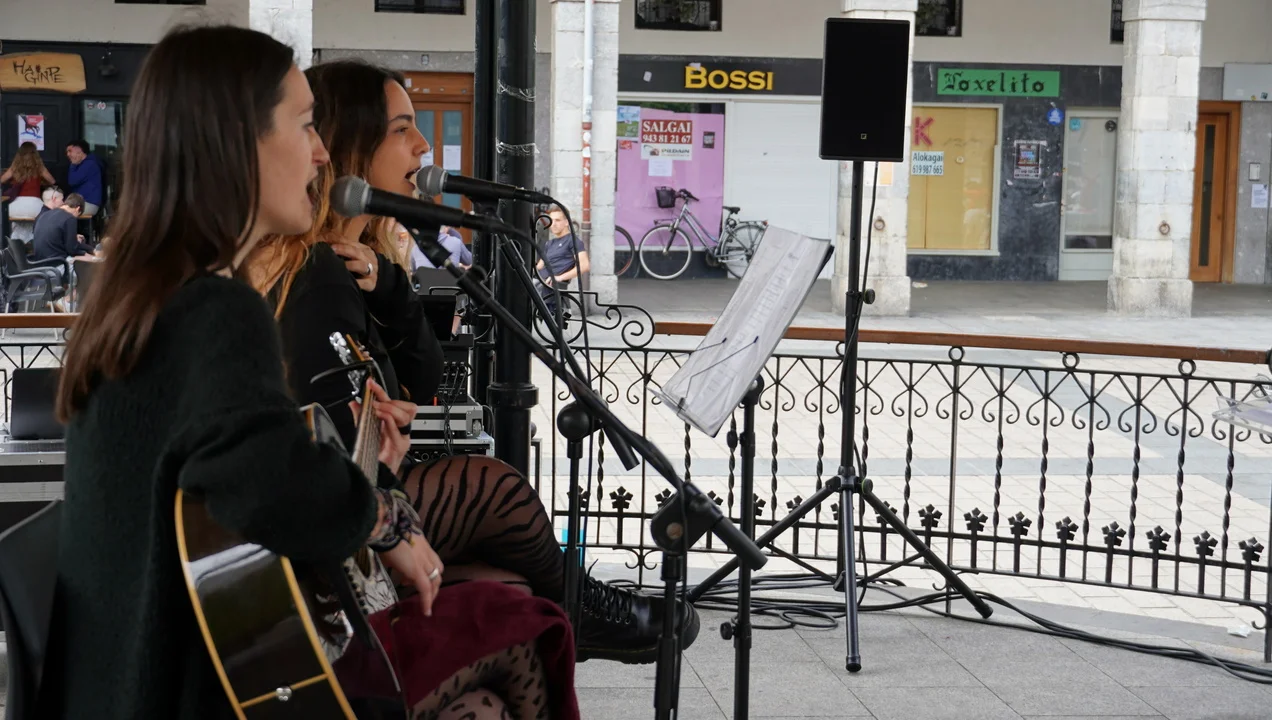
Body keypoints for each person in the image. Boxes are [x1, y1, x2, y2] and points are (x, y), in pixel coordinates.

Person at [44, 25, 574, 720]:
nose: (322, 153)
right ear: (237, 144)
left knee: (480, 701)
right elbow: (271, 492)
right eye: (304, 126)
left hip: (130, 680)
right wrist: (387, 520)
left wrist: (366, 471)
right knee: (525, 627)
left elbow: (240, 467)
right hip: (194, 686)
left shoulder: (140, 301)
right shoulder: (217, 309)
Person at [250, 58, 699, 667]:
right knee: (495, 487)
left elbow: (424, 379)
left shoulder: (365, 262)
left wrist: (390, 289)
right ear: (351, 146)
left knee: (510, 586)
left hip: (370, 490)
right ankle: (585, 609)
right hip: (333, 520)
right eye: (401, 129)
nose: (422, 145)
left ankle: (575, 608)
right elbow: (329, 436)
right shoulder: (311, 274)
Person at [537, 207, 589, 316]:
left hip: (551, 288)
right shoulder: (549, 243)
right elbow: (539, 267)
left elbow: (584, 265)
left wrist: (560, 277)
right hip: (538, 283)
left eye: (557, 220)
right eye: (551, 220)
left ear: (566, 222)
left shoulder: (573, 241)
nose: (553, 224)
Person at [32, 192, 96, 262]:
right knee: (93, 261)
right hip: (57, 262)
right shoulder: (70, 218)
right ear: (78, 209)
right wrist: (88, 252)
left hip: (39, 261)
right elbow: (72, 249)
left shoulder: (45, 214)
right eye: (78, 215)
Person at [1, 141, 56, 221]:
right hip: (35, 205)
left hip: (16, 206)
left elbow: (2, 180)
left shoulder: (15, 167)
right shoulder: (40, 167)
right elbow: (52, 181)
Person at [65, 139, 106, 217]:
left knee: (60, 213)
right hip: (82, 203)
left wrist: (73, 165)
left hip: (88, 204)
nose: (68, 154)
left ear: (79, 151)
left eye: (70, 151)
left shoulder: (89, 164)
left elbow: (72, 181)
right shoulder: (86, 163)